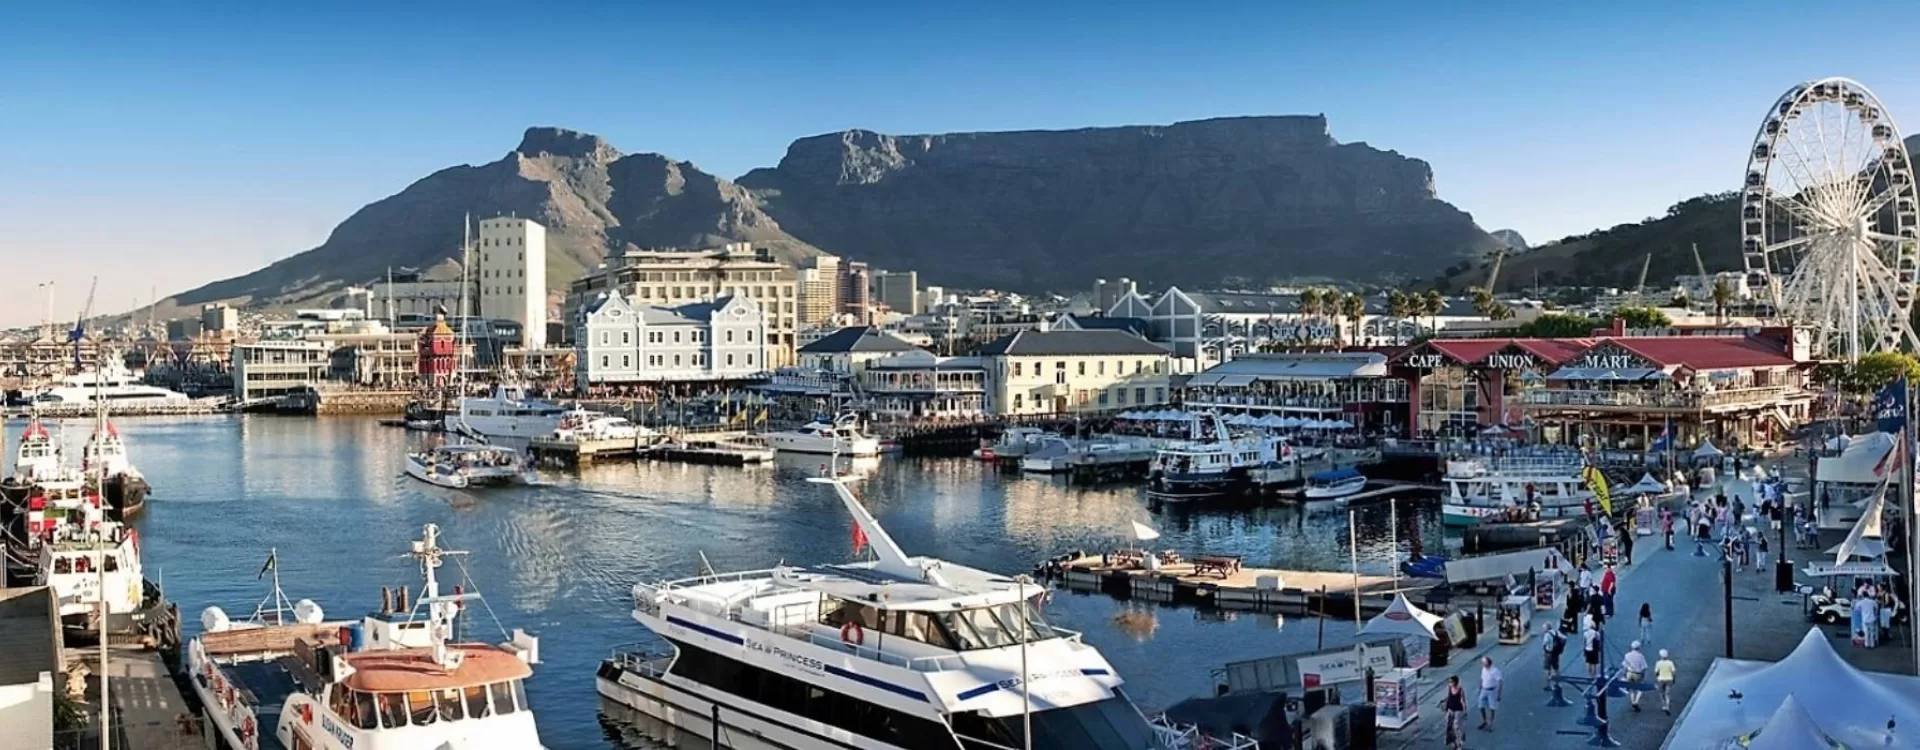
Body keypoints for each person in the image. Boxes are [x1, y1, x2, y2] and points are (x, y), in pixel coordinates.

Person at [1440, 675, 1468, 749]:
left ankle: (1459, 744)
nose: (1449, 683)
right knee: (1449, 727)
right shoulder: (1449, 688)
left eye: (1451, 682)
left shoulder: (1460, 690)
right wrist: (1444, 701)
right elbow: (1449, 696)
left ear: (1455, 682)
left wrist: (1465, 711)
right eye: (1449, 682)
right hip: (1450, 709)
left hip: (1458, 710)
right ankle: (1453, 742)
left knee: (1456, 727)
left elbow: (1463, 701)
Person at [1622, 641, 1651, 711]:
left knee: (1632, 689)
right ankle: (1636, 701)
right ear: (1638, 648)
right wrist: (1644, 675)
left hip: (1629, 673)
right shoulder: (1640, 656)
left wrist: (1624, 674)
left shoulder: (1627, 655)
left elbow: (1624, 666)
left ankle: (1632, 701)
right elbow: (1644, 667)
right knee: (1641, 688)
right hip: (1637, 674)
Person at [1478, 656, 1503, 731]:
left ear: (1488, 663)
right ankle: (1485, 720)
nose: (1482, 664)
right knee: (1480, 706)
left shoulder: (1495, 671)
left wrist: (1498, 694)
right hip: (1484, 690)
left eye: (1484, 663)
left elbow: (1500, 682)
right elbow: (1482, 678)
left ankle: (1490, 724)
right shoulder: (1483, 669)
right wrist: (1480, 688)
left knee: (1492, 708)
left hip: (1492, 691)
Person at [1654, 648, 1677, 714]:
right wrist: (1674, 679)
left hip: (1661, 679)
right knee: (1667, 693)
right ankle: (1667, 706)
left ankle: (1664, 705)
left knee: (1661, 693)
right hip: (1669, 679)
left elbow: (1656, 672)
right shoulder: (1670, 663)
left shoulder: (1658, 663)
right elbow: (1674, 672)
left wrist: (1657, 677)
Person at [1542, 622, 1566, 687]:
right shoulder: (1556, 632)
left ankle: (1548, 685)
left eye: (1543, 628)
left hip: (1548, 653)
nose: (1543, 630)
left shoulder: (1547, 634)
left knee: (1547, 669)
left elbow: (1544, 643)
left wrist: (1547, 647)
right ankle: (1557, 683)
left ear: (1547, 628)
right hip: (1555, 653)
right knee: (1556, 668)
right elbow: (1564, 638)